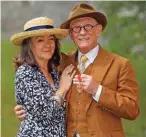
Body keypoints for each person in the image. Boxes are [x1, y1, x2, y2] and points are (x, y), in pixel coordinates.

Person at [14, 3, 139, 137]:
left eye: (88, 26)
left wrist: (98, 90)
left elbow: (132, 110)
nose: (82, 32)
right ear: (71, 35)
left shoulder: (120, 65)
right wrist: (25, 108)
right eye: (76, 28)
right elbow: (41, 94)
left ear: (99, 30)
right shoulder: (60, 63)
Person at [10, 17, 76, 137]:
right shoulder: (25, 72)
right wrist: (62, 89)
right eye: (40, 40)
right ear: (29, 45)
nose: (48, 44)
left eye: (51, 39)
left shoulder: (54, 72)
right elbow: (44, 111)